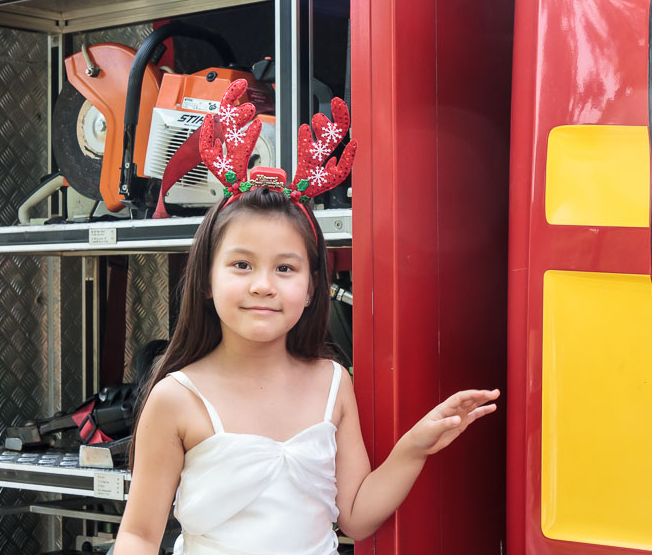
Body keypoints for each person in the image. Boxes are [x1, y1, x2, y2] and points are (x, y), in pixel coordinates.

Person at [110, 81, 499, 555]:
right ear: (206, 279)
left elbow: (355, 516)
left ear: (312, 287)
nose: (263, 285)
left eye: (285, 268)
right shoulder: (175, 397)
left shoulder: (333, 382)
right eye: (242, 264)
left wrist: (414, 445)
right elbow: (139, 534)